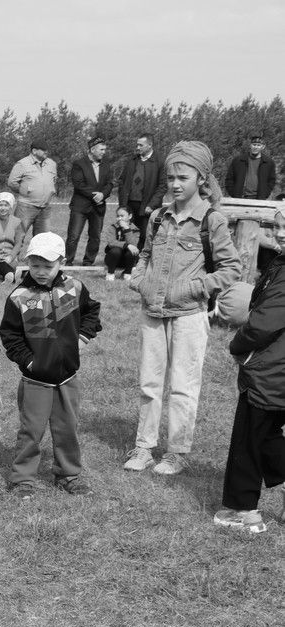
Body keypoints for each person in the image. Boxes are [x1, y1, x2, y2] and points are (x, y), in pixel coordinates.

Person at [123, 140, 243, 476]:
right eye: (171, 177)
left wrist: (194, 288)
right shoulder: (159, 217)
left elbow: (231, 269)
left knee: (182, 385)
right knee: (149, 383)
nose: (175, 184)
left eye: (183, 178)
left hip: (189, 316)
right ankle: (144, 447)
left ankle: (176, 451)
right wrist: (138, 279)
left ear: (202, 179)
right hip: (152, 311)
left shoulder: (212, 221)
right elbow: (145, 255)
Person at [0, 232, 102, 499]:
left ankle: (69, 475)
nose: (41, 272)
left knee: (67, 428)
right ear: (27, 264)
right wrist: (29, 361)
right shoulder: (19, 297)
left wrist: (82, 337)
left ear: (62, 262)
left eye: (48, 265)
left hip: (68, 377)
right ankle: (22, 479)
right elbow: (10, 336)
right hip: (36, 380)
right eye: (35, 265)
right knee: (31, 431)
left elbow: (91, 311)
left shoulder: (75, 288)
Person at [214, 208, 285, 533]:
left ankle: (244, 512)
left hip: (270, 370)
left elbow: (262, 325)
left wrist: (238, 344)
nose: (280, 234)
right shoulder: (280, 263)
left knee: (249, 440)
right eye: (279, 226)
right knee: (267, 434)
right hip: (275, 370)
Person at [66, 136, 113, 265]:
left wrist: (102, 195)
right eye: (101, 149)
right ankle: (68, 262)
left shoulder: (107, 164)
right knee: (73, 236)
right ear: (92, 149)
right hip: (80, 207)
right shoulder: (79, 164)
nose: (104, 152)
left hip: (98, 207)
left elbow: (109, 184)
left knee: (95, 237)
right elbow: (79, 184)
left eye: (105, 149)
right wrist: (95, 195)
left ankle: (88, 262)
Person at [7, 140, 58, 250]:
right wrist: (25, 191)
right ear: (34, 151)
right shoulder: (22, 164)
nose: (46, 152)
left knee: (43, 239)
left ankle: (38, 262)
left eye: (47, 150)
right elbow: (12, 182)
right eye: (43, 150)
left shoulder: (52, 164)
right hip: (25, 206)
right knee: (18, 235)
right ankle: (12, 260)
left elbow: (53, 180)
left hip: (45, 207)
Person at [115, 134, 163, 250]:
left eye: (141, 145)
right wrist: (123, 203)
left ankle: (142, 260)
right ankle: (125, 259)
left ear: (150, 145)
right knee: (125, 231)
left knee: (146, 234)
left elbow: (163, 186)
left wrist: (152, 205)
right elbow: (121, 181)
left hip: (147, 206)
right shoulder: (132, 160)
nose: (138, 147)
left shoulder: (159, 161)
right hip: (129, 204)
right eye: (137, 144)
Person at [224, 135, 277, 201]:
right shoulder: (238, 160)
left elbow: (271, 181)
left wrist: (265, 194)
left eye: (258, 145)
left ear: (263, 147)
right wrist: (233, 193)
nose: (256, 147)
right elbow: (229, 178)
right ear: (250, 145)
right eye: (254, 145)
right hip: (240, 197)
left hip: (259, 198)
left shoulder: (268, 163)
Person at [103, 207, 140, 281]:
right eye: (118, 216)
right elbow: (111, 242)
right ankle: (110, 273)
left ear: (130, 216)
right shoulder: (113, 227)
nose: (119, 218)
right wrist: (127, 245)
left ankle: (127, 273)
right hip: (112, 259)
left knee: (132, 251)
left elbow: (133, 244)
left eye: (122, 216)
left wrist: (126, 229)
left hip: (127, 260)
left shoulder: (135, 229)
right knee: (116, 251)